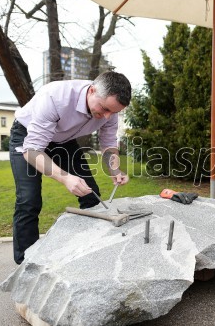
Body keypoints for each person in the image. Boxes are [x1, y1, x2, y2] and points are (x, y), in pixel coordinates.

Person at [9, 71, 132, 264]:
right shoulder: (55, 96)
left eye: (113, 113)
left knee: (92, 196)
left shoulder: (109, 110)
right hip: (27, 138)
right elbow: (32, 150)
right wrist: (65, 177)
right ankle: (26, 264)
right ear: (92, 91)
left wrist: (115, 170)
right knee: (28, 200)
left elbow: (108, 143)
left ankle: (93, 251)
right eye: (104, 109)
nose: (107, 116)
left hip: (63, 141)